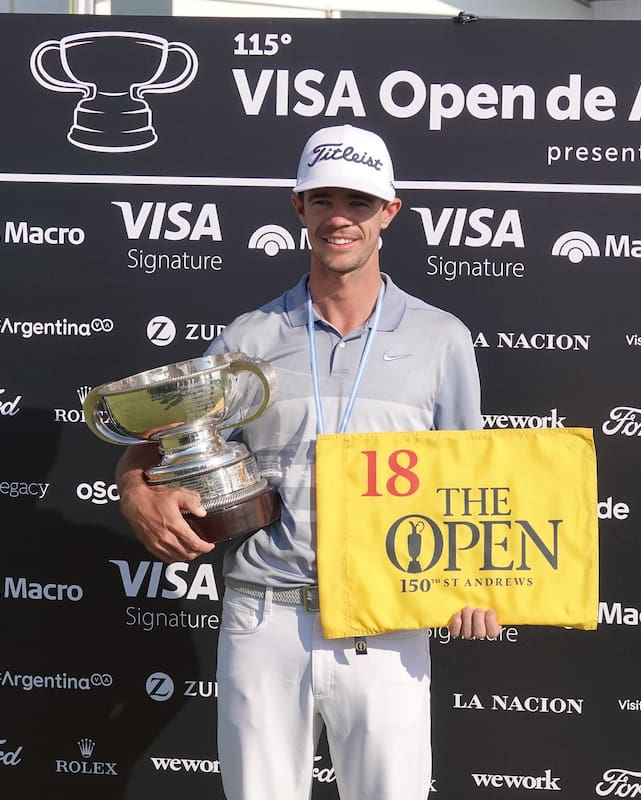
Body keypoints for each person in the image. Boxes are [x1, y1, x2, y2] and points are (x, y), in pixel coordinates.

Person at [115, 124, 500, 800]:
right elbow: (166, 439)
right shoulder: (247, 338)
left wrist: (482, 582)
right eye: (323, 201)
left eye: (358, 201)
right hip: (264, 619)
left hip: (387, 621)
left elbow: (471, 476)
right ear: (299, 210)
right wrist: (133, 485)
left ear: (389, 213)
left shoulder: (442, 339)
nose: (340, 218)